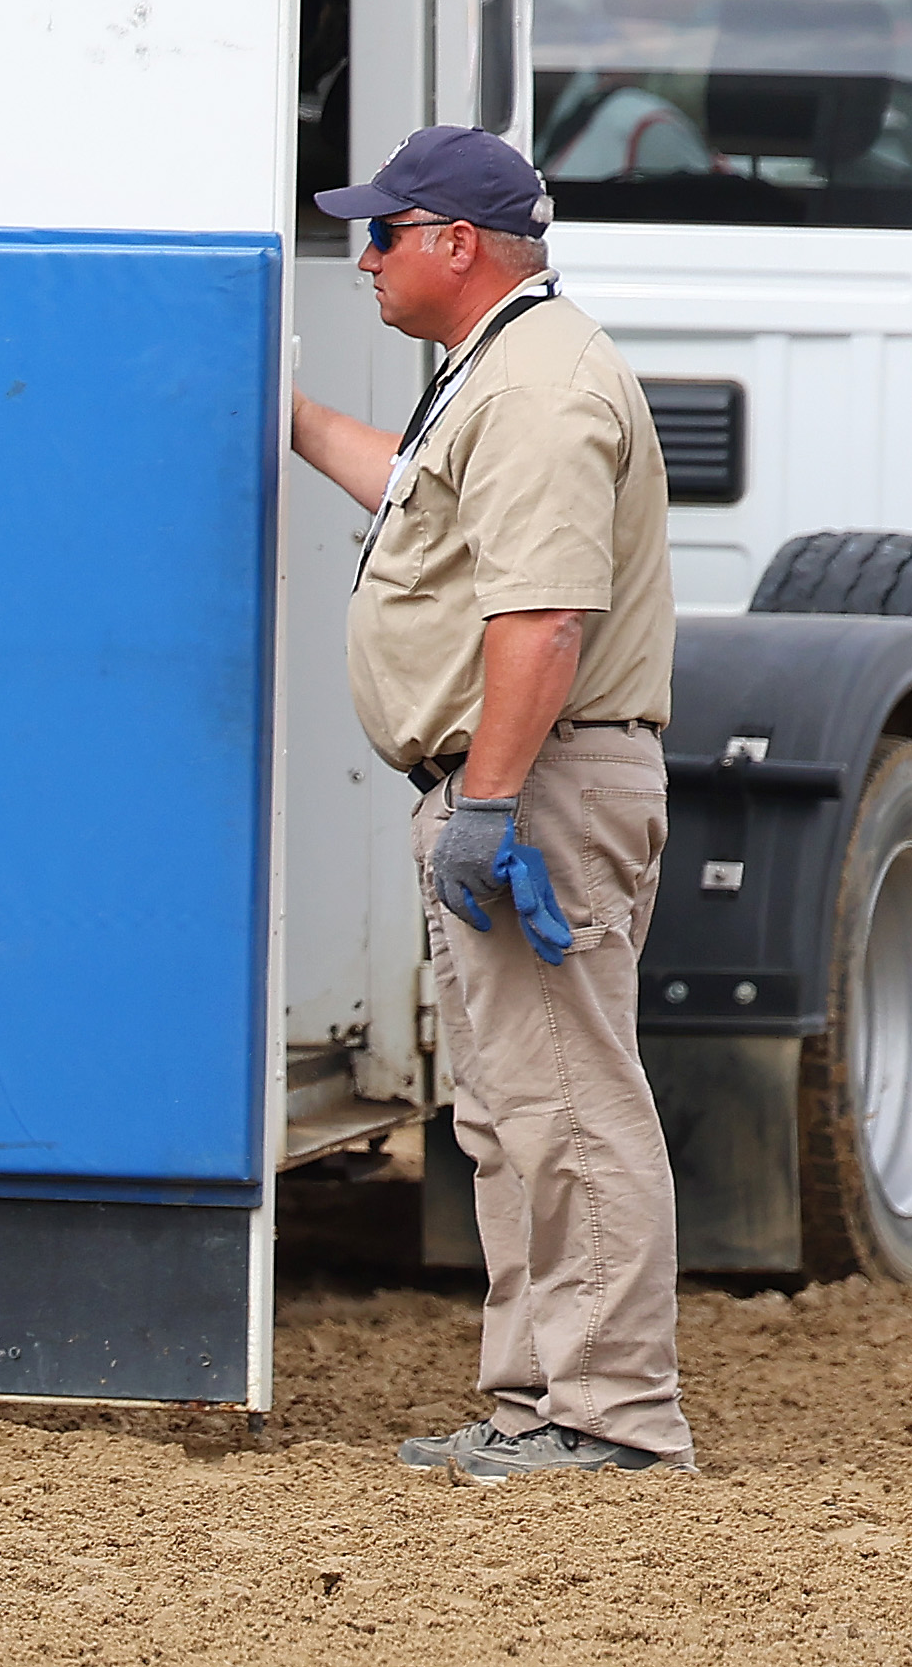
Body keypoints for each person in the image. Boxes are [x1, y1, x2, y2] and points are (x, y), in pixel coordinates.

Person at [288, 126, 691, 1483]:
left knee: (566, 1103)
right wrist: (281, 415)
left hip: (542, 778)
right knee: (517, 1112)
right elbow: (410, 498)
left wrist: (492, 801)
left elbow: (543, 617)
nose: (362, 259)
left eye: (382, 233)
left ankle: (611, 1418)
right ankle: (540, 1407)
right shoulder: (504, 369)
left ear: (454, 243)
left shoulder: (533, 389)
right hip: (523, 776)